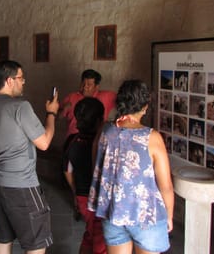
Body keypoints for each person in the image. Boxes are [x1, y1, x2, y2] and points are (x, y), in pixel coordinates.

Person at [0, 60, 59, 254]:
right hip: (22, 186)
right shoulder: (20, 107)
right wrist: (51, 113)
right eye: (21, 78)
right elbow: (44, 143)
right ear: (9, 80)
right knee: (37, 244)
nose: (23, 82)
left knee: (4, 239)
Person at [88, 80, 174, 254]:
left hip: (113, 212)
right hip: (145, 216)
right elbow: (166, 186)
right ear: (145, 106)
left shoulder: (105, 131)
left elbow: (97, 168)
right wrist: (169, 216)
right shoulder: (152, 137)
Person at [60, 69, 116, 218]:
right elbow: (60, 114)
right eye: (83, 83)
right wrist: (63, 109)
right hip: (74, 141)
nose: (85, 87)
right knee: (76, 174)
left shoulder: (106, 96)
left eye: (89, 84)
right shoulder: (72, 97)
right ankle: (78, 201)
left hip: (96, 141)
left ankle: (92, 204)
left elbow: (123, 103)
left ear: (97, 86)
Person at [64, 97, 107, 254]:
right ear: (98, 121)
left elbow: (67, 171)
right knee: (100, 241)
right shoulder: (103, 143)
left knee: (90, 234)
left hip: (82, 198)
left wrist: (75, 191)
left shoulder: (72, 141)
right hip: (98, 200)